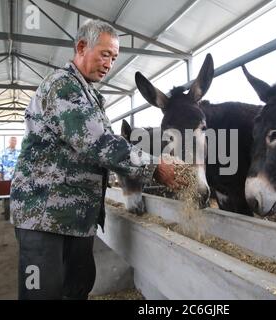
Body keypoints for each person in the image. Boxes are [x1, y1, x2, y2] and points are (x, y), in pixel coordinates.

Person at [10, 19, 179, 300]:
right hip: (44, 217)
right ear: (80, 47)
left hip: (77, 218)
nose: (109, 63)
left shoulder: (91, 97)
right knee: (42, 294)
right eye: (104, 54)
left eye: (113, 58)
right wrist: (155, 166)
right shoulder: (63, 86)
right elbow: (97, 142)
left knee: (77, 289)